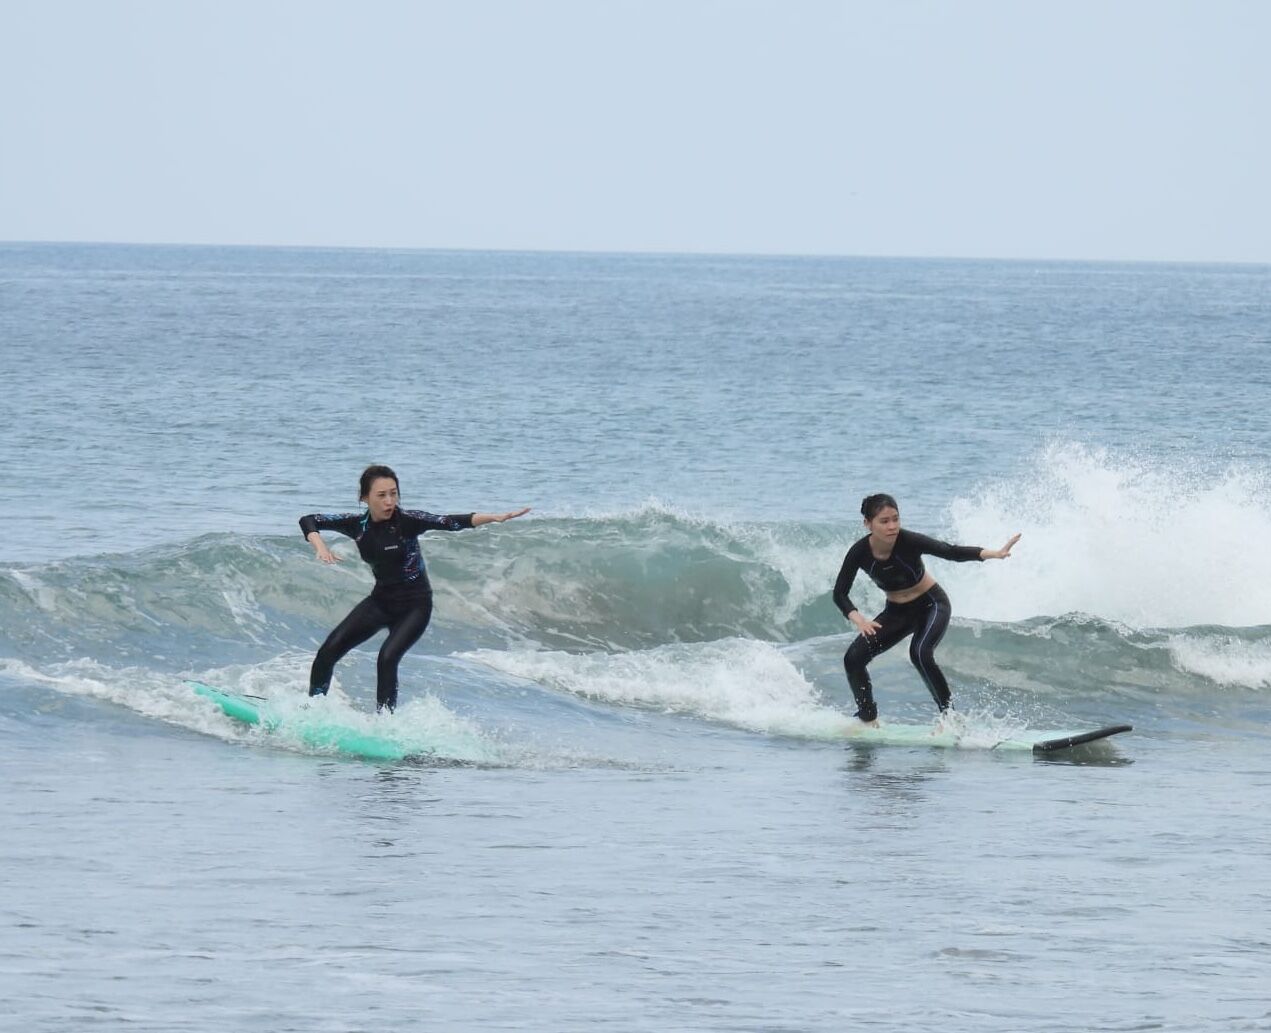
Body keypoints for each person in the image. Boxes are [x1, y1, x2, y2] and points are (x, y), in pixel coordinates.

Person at [300, 464, 530, 713]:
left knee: (387, 658)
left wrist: (494, 517)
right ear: (364, 498)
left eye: (394, 493)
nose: (389, 501)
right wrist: (320, 547)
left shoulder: (408, 521)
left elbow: (451, 521)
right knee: (327, 653)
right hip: (380, 602)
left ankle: (385, 725)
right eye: (381, 495)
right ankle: (313, 711)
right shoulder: (357, 525)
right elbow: (309, 520)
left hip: (415, 606)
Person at [832, 493, 1020, 725]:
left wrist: (993, 554)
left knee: (920, 653)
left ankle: (950, 718)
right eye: (884, 521)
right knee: (853, 658)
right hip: (896, 613)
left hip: (932, 604)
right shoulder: (859, 552)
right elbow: (839, 593)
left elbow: (950, 552)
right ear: (867, 524)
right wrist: (859, 619)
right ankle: (868, 718)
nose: (892, 526)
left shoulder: (909, 541)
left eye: (896, 519)